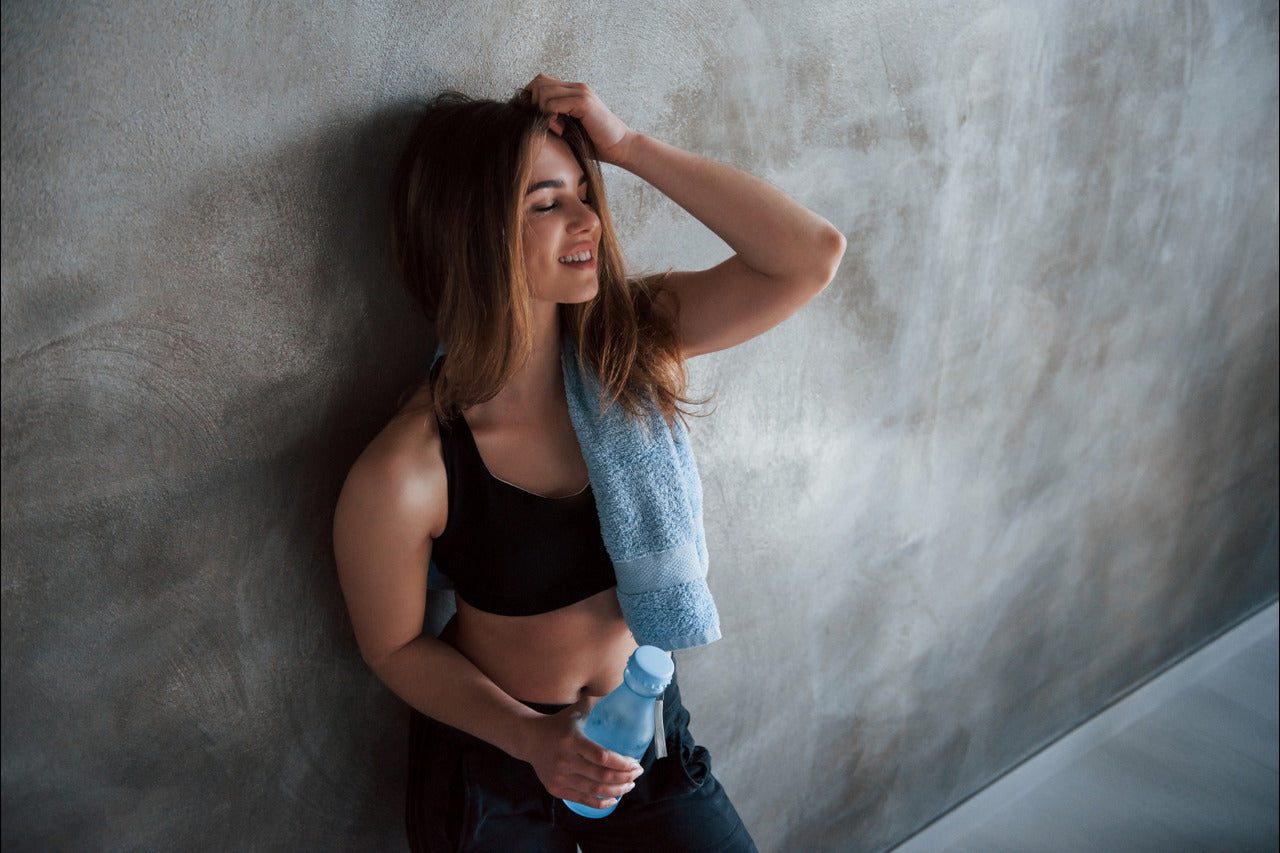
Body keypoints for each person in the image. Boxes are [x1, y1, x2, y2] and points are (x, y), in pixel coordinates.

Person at [333, 74, 845, 852]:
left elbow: (808, 257)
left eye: (585, 192)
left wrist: (629, 146)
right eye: (546, 202)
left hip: (643, 746)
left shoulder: (629, 347)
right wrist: (533, 740)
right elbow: (394, 647)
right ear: (476, 236)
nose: (589, 221)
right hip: (497, 777)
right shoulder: (408, 469)